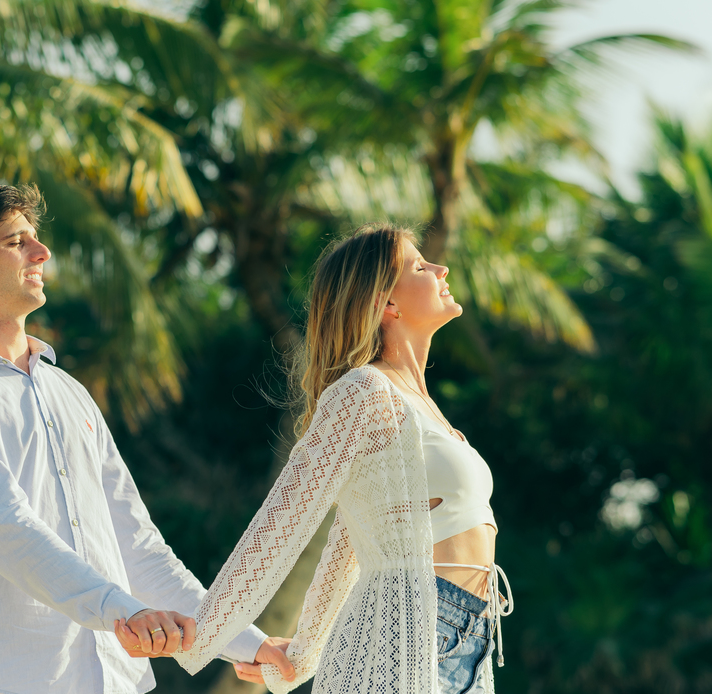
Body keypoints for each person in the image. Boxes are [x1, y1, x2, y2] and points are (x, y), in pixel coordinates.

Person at [0, 181, 294, 694]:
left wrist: (248, 643)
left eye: (35, 239)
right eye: (16, 241)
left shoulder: (71, 393)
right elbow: (10, 532)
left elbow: (138, 546)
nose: (42, 252)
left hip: (115, 681)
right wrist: (125, 613)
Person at [122, 224, 512, 694]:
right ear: (385, 303)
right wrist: (199, 634)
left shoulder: (418, 404)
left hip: (473, 642)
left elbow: (350, 541)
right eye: (419, 265)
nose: (440, 268)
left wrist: (305, 651)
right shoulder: (362, 391)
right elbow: (281, 523)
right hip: (411, 632)